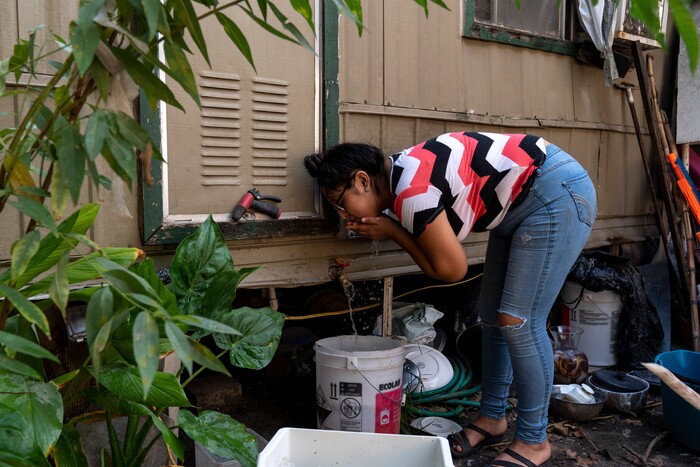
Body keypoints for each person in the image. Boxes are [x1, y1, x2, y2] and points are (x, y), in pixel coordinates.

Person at [304, 131, 596, 467]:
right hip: (520, 200)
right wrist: (393, 229)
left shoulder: (411, 193)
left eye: (340, 202)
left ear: (362, 180)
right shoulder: (401, 174)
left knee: (518, 322)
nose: (343, 214)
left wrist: (393, 231)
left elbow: (451, 270)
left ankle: (534, 441)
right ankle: (492, 417)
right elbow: (439, 265)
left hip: (555, 192)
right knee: (492, 316)